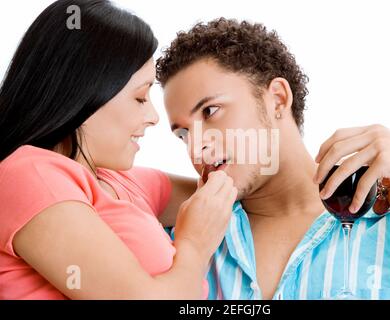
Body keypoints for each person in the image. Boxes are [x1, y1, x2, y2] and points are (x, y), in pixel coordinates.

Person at [156, 18, 390, 300]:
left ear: (278, 99)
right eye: (183, 133)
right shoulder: (179, 241)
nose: (196, 149)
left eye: (210, 112)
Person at [0, 0, 237, 299]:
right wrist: (194, 246)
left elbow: (224, 194)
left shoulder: (119, 180)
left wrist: (312, 172)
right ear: (83, 91)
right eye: (140, 97)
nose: (153, 116)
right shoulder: (29, 176)